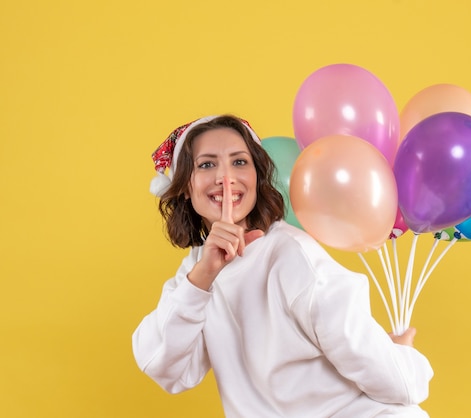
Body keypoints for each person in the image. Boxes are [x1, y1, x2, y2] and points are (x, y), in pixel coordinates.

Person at [132, 114, 434, 417]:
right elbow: (166, 368)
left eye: (239, 162)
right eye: (206, 164)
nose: (226, 178)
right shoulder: (196, 270)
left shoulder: (290, 254)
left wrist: (404, 358)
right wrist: (203, 277)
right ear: (185, 185)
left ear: (257, 176)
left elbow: (394, 381)